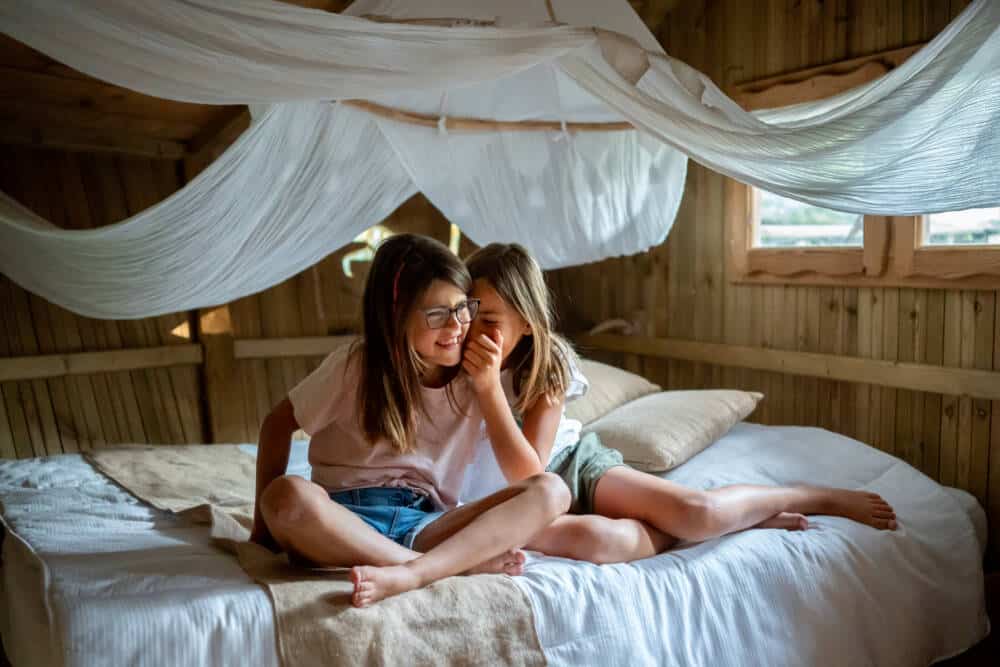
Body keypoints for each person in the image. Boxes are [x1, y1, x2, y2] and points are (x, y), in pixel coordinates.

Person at [459, 242, 898, 564]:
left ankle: (808, 495)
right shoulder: (447, 362)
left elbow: (532, 473)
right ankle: (738, 519)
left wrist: (490, 390)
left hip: (568, 466)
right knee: (602, 543)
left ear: (530, 326)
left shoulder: (545, 364)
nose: (473, 329)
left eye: (491, 321)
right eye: (469, 312)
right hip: (511, 500)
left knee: (696, 512)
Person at [250, 234, 570, 607]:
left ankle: (414, 571)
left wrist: (489, 388)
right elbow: (276, 424)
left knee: (553, 490)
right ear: (397, 315)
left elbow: (527, 473)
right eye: (436, 315)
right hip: (342, 520)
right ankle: (433, 567)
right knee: (286, 497)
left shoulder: (476, 374)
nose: (456, 327)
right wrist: (261, 529)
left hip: (426, 523)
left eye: (462, 308)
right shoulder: (357, 364)